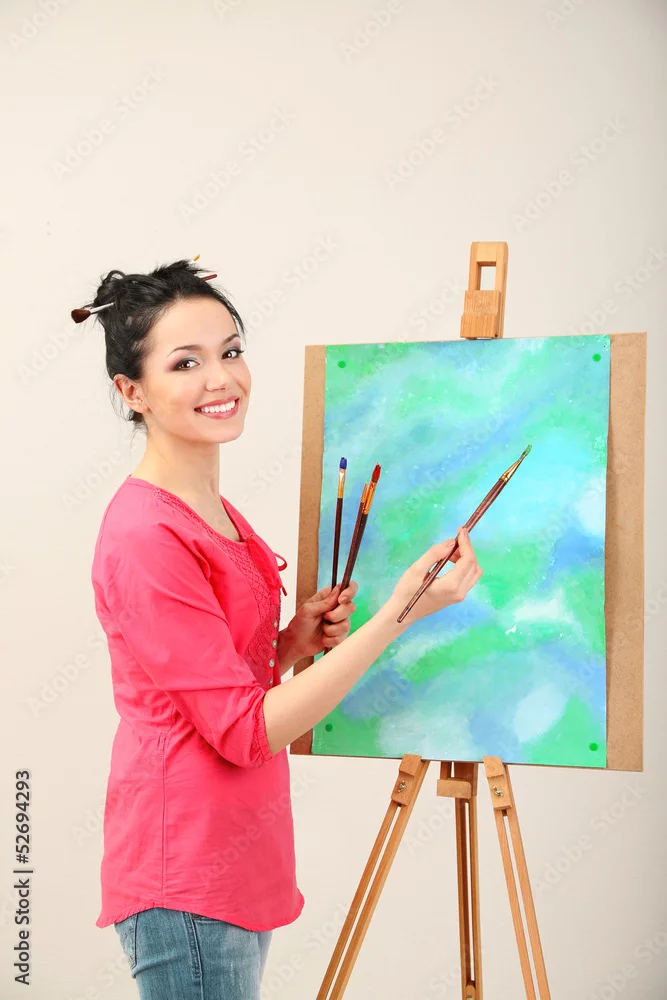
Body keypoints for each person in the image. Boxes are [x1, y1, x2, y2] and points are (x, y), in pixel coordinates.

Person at [84, 258, 482, 1000]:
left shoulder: (212, 509)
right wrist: (401, 613)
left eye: (231, 351)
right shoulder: (145, 533)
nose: (221, 379)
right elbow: (242, 730)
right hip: (186, 868)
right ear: (131, 391)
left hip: (235, 858)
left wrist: (291, 644)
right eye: (185, 363)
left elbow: (215, 676)